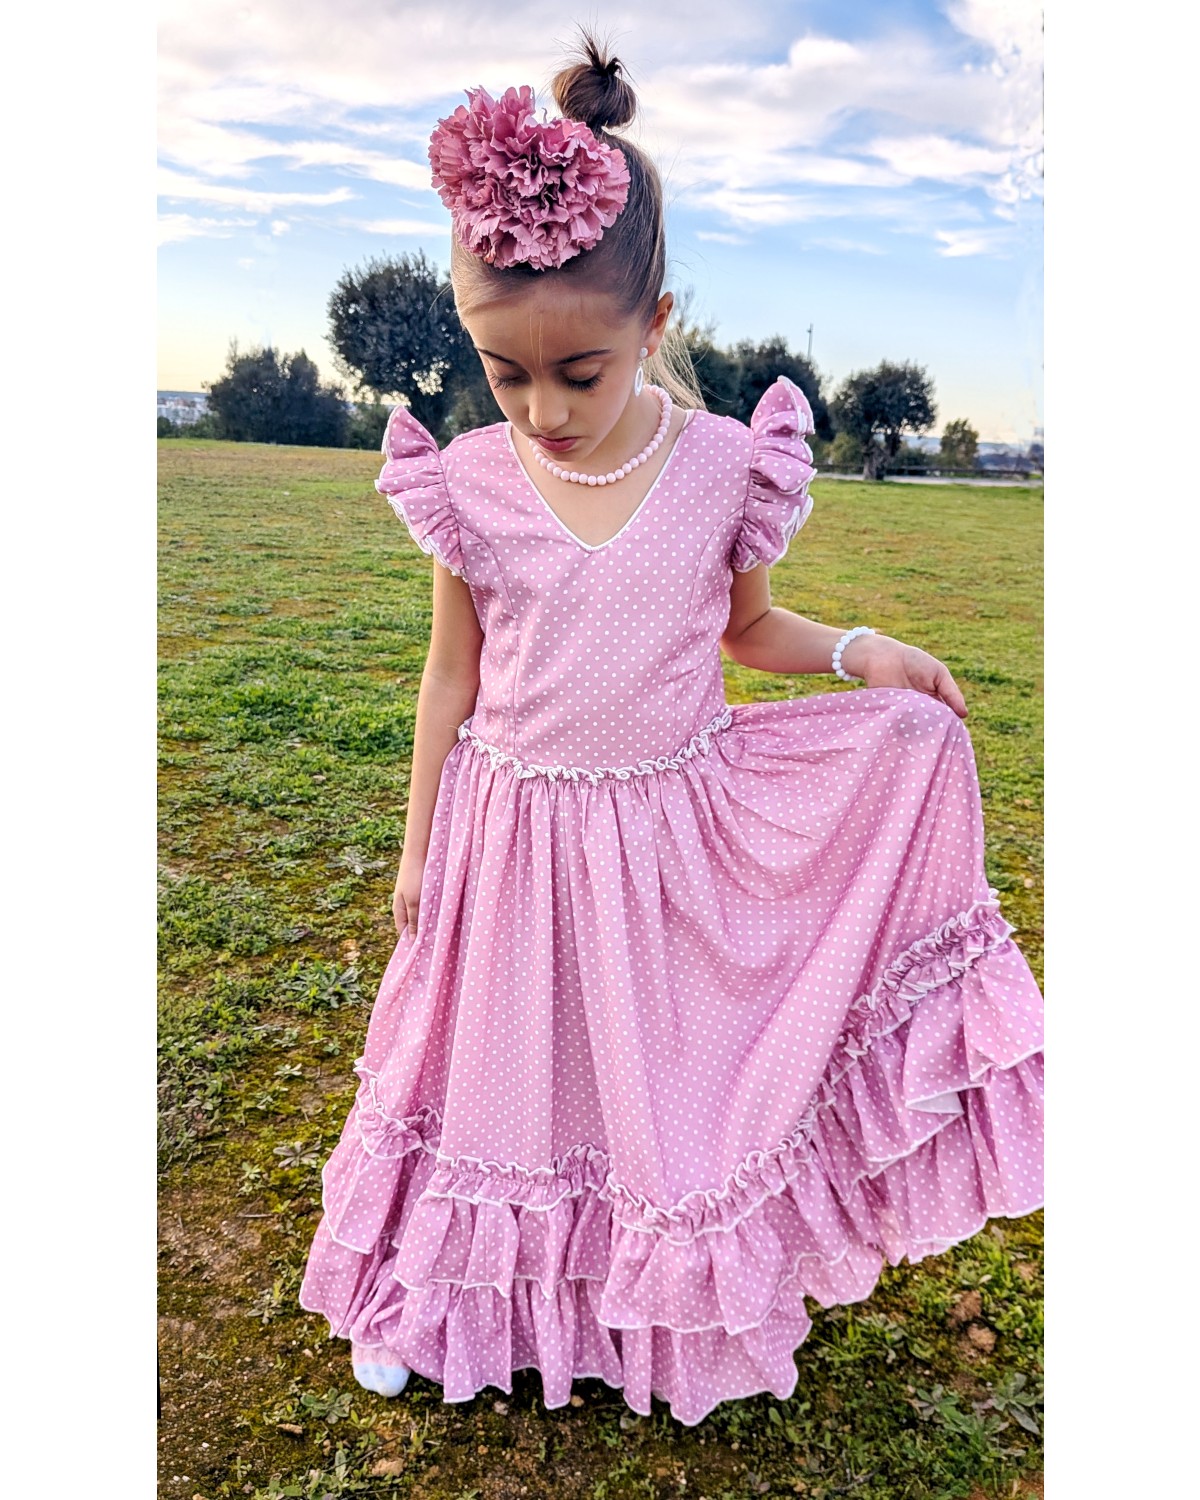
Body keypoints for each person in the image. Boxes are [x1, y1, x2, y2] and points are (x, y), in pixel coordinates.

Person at [298, 32, 1044, 1429]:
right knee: (496, 1085)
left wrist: (861, 652)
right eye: (506, 375)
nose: (543, 410)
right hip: (511, 837)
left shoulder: (722, 467)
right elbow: (451, 679)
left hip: (669, 835)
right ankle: (441, 1304)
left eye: (579, 372)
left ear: (655, 321)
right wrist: (416, 847)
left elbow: (748, 632)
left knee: (650, 1092)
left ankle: (646, 1302)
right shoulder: (469, 481)